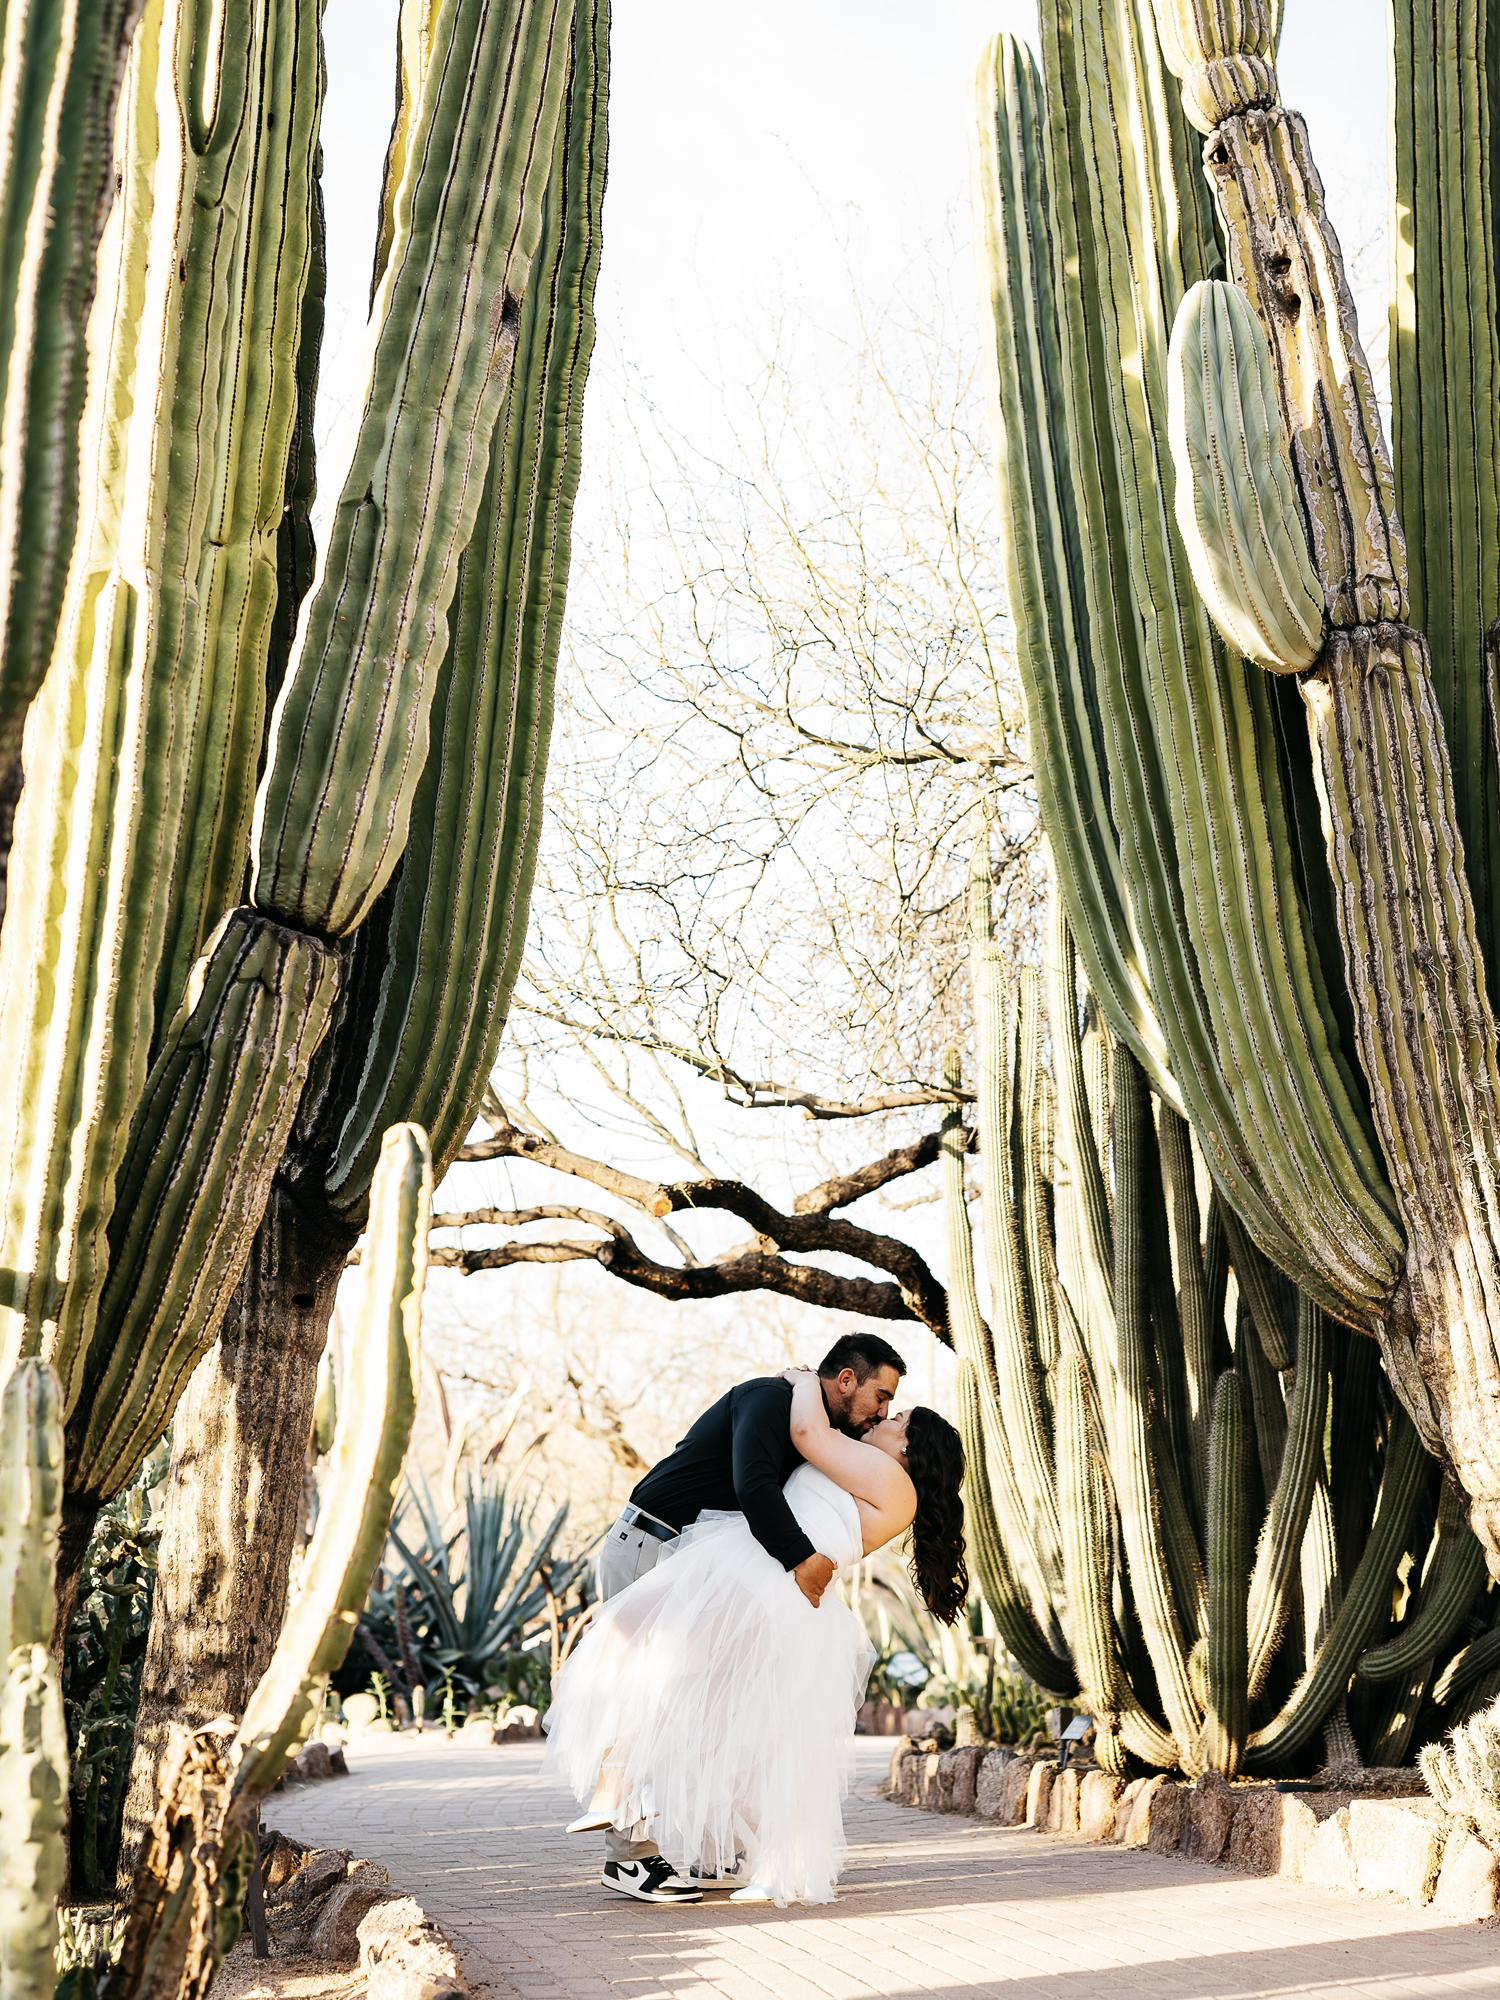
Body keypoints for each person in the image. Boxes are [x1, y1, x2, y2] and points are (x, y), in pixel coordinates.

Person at [544, 1343, 966, 1908]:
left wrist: (801, 1382)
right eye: (883, 1399)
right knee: (675, 1688)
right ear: (846, 1380)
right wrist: (796, 1386)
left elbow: (807, 1442)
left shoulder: (867, 1464)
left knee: (690, 1696)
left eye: (896, 1413)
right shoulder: (778, 1406)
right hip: (685, 1552)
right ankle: (649, 1836)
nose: (884, 1414)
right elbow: (762, 1479)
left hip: (753, 1580)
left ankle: (649, 1826)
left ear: (910, 1448)